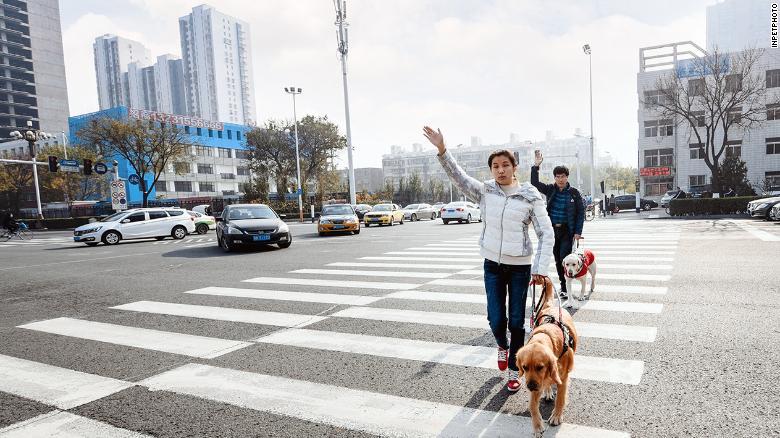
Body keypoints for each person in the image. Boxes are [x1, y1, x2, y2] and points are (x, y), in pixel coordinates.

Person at [423, 126, 554, 393]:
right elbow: (458, 178)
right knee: (496, 319)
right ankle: (502, 346)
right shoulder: (485, 192)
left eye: (506, 165)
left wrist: (540, 268)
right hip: (492, 265)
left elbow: (546, 232)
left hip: (520, 267)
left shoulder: (530, 195)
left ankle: (515, 371)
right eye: (495, 166)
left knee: (517, 321)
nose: (501, 169)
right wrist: (443, 150)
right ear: (492, 169)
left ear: (514, 167)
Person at [530, 151, 585, 300]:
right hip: (552, 230)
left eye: (563, 176)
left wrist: (578, 231)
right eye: (558, 176)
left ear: (567, 177)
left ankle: (565, 286)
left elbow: (581, 212)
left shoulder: (574, 193)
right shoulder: (550, 189)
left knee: (564, 257)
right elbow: (534, 184)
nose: (560, 179)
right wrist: (536, 166)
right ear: (555, 178)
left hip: (567, 230)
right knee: (557, 259)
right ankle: (564, 286)